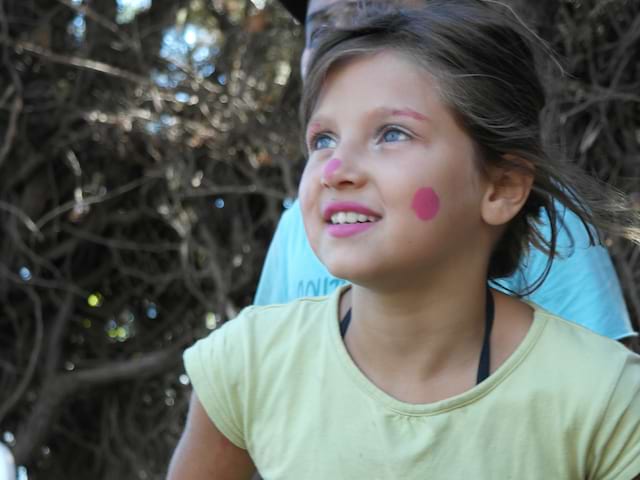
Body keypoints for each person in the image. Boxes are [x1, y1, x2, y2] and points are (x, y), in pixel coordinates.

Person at [167, 3, 640, 478]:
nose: (335, 172)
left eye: (392, 134)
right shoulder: (245, 363)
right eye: (323, 140)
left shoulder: (606, 399)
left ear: (501, 187)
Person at [254, 0, 638, 344]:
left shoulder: (542, 210)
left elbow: (599, 380)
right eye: (320, 27)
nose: (346, 36)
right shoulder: (298, 225)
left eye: (371, 10)